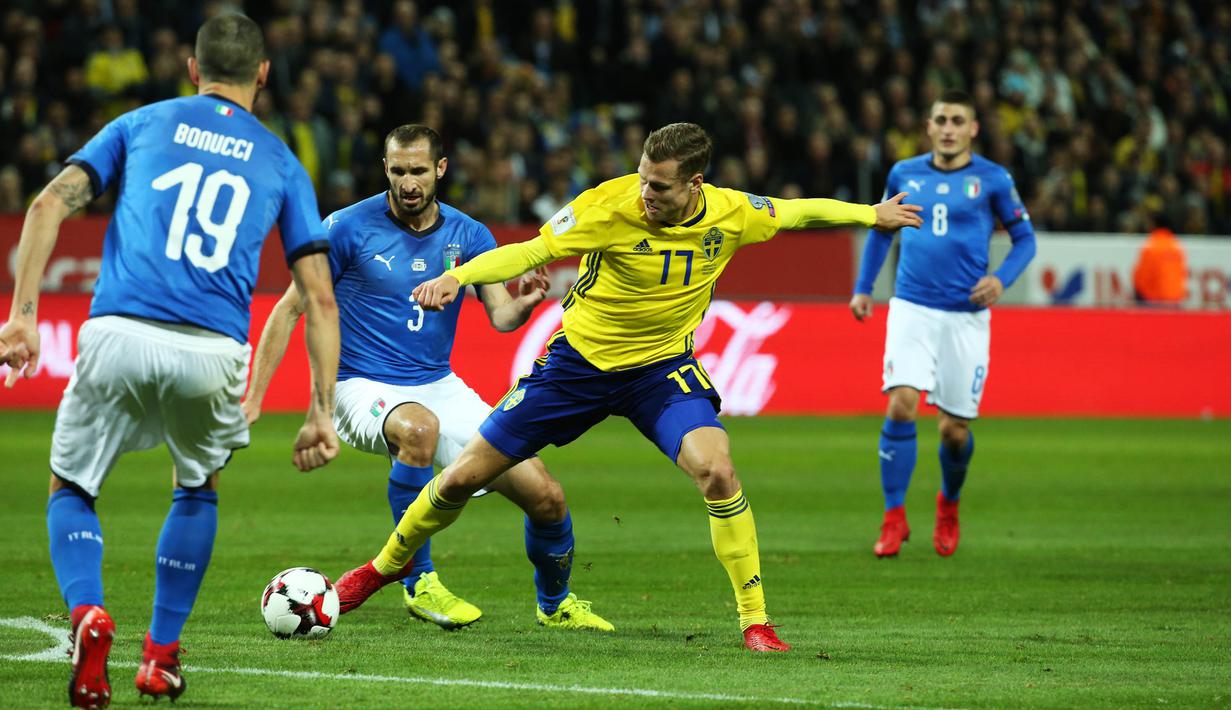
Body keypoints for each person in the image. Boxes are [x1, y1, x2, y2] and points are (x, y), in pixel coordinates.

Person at [330, 122, 924, 653]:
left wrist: (872, 215)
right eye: (642, 179)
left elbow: (799, 212)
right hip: (576, 367)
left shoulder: (732, 213)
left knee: (717, 470)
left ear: (694, 184)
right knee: (461, 476)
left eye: (659, 187)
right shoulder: (605, 206)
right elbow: (532, 250)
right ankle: (376, 573)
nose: (645, 193)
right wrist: (455, 277)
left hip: (660, 372)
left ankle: (756, 622)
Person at [0, 14, 340, 708]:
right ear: (264, 76)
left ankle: (87, 615)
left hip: (119, 330)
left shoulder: (141, 123)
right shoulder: (280, 160)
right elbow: (319, 299)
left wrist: (23, 316)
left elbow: (46, 205)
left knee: (71, 484)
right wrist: (321, 412)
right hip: (213, 348)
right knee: (197, 484)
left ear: (192, 69)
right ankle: (159, 658)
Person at [242, 124, 611, 633]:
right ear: (385, 170)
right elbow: (287, 312)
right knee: (419, 429)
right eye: (398, 171)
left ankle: (556, 604)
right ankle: (420, 581)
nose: (408, 183)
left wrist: (523, 305)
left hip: (439, 384)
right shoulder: (347, 228)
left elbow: (499, 317)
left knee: (544, 494)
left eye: (418, 171)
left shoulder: (470, 235)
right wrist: (254, 399)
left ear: (440, 169)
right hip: (361, 386)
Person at [849, 89, 1037, 559]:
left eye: (958, 120)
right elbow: (881, 230)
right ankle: (894, 518)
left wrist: (1001, 279)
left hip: (966, 317)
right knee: (902, 404)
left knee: (954, 431)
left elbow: (1025, 240)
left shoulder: (993, 179)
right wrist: (863, 287)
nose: (949, 127)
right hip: (911, 307)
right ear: (928, 127)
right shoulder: (904, 173)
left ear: (973, 128)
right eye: (941, 120)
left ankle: (948, 504)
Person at [1133, 217, 1187, 306]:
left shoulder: (1151, 246)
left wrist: (1139, 295)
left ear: (1154, 225)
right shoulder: (1176, 246)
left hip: (1154, 300)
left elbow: (1143, 277)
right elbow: (1182, 274)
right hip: (1175, 299)